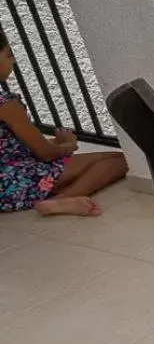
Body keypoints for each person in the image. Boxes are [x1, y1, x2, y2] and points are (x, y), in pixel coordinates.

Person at [0, 28, 128, 216]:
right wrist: (68, 145)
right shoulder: (5, 104)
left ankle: (54, 191)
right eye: (8, 55)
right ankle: (59, 201)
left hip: (10, 175)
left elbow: (10, 147)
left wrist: (55, 144)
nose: (13, 61)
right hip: (11, 182)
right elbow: (45, 154)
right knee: (121, 160)